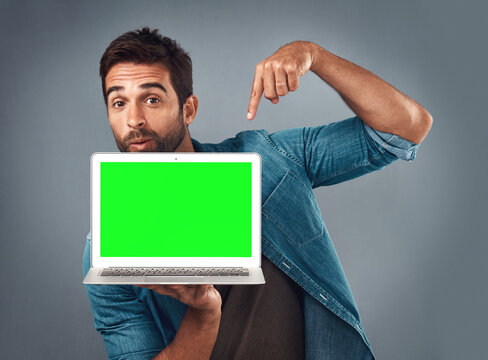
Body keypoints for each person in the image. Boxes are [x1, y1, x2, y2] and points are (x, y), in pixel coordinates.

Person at [83, 27, 432, 360]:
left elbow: (407, 127)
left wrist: (313, 55)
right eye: (118, 103)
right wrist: (204, 314)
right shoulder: (106, 247)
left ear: (188, 109)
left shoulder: (269, 159)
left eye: (152, 99)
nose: (134, 119)